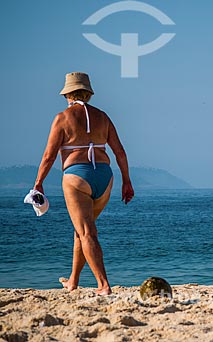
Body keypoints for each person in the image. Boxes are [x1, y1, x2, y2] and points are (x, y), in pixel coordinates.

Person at [33, 72, 134, 295]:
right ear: (88, 93)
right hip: (105, 177)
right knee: (82, 230)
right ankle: (73, 281)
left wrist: (38, 183)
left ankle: (103, 285)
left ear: (67, 94)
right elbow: (120, 152)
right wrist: (127, 182)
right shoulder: (103, 117)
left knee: (87, 232)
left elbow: (49, 156)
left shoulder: (62, 118)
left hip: (77, 177)